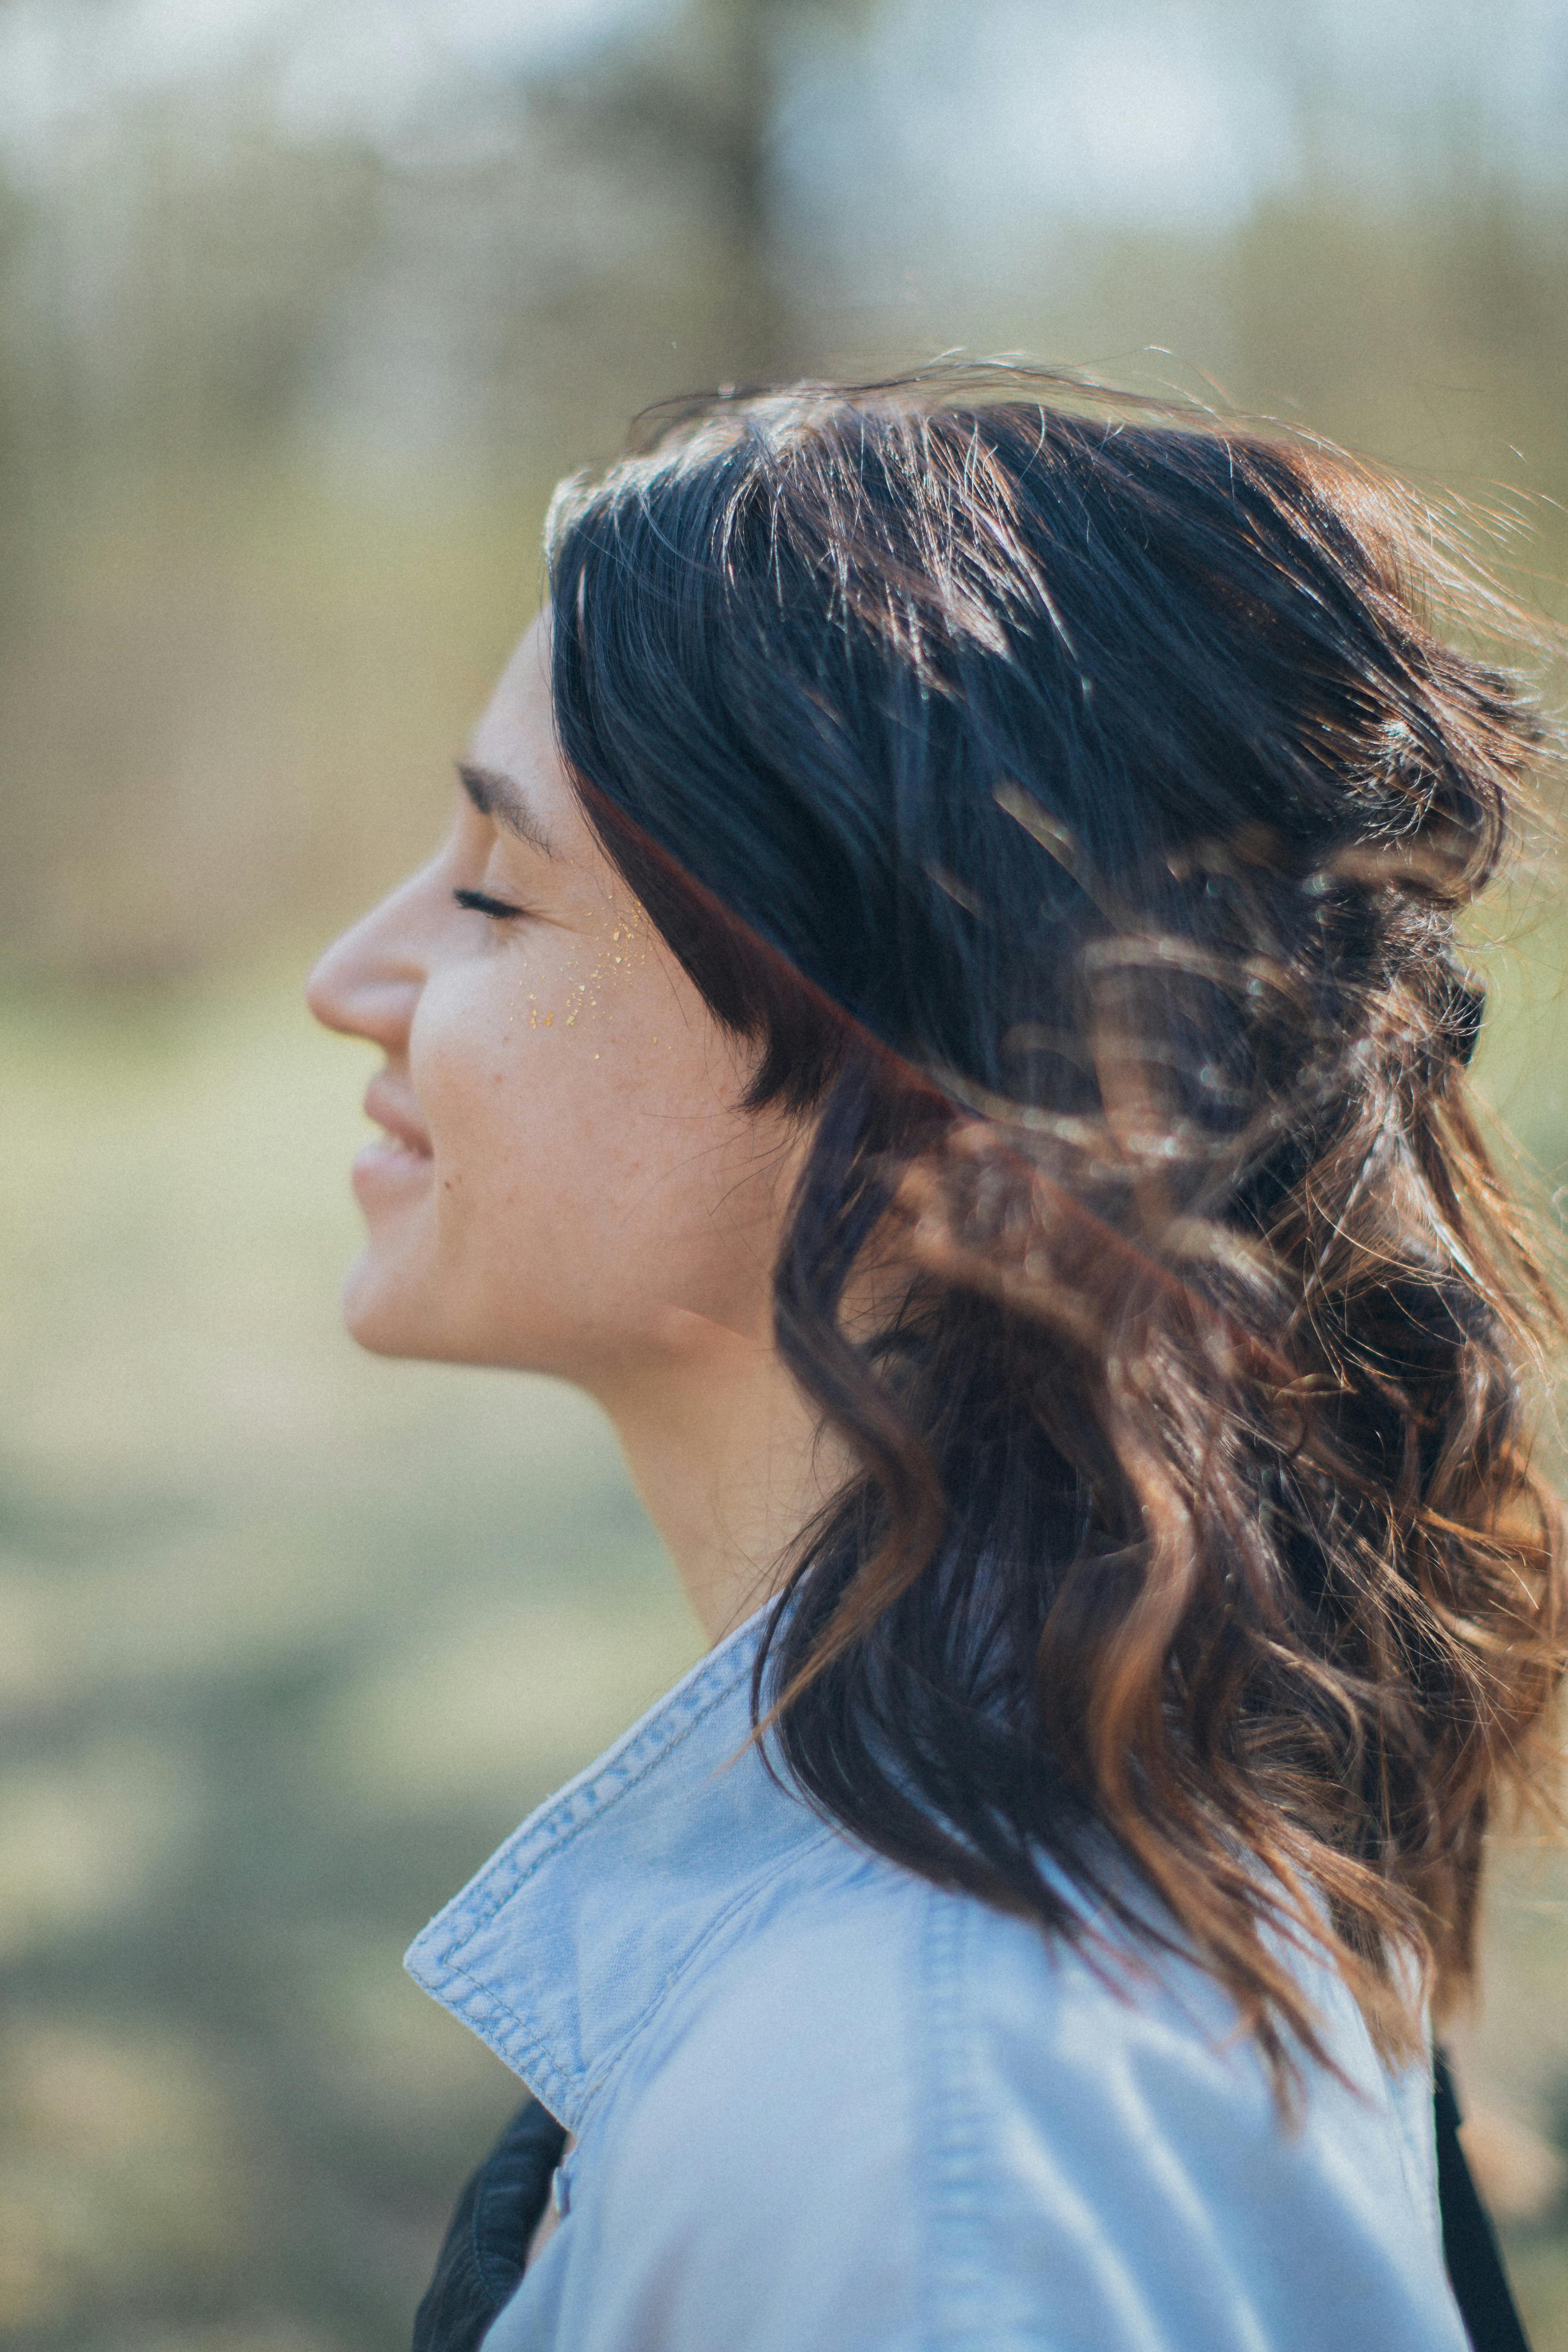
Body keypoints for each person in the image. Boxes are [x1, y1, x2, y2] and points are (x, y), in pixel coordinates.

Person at [305, 368, 1565, 2351]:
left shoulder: (944, 2147)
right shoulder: (995, 1975)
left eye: (493, 890)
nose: (347, 980)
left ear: (943, 1101)